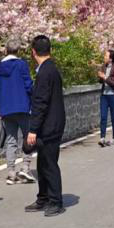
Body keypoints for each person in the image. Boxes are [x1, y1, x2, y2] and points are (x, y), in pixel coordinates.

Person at [25, 34, 67, 216]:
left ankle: (56, 201)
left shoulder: (45, 72)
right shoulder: (51, 69)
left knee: (49, 164)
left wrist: (32, 129)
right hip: (52, 123)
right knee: (42, 163)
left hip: (49, 126)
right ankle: (43, 198)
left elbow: (40, 102)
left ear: (34, 52)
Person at [0, 41, 36, 185]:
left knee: (11, 140)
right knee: (27, 138)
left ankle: (11, 172)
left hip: (6, 109)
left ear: (6, 50)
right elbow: (28, 85)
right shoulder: (21, 65)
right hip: (22, 107)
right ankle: (25, 167)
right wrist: (32, 101)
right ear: (17, 50)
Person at [97, 50, 114, 147]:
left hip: (113, 96)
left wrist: (105, 77)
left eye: (106, 56)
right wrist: (100, 76)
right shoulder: (104, 66)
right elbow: (101, 81)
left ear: (110, 58)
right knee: (103, 117)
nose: (104, 57)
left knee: (113, 117)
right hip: (104, 95)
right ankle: (102, 138)